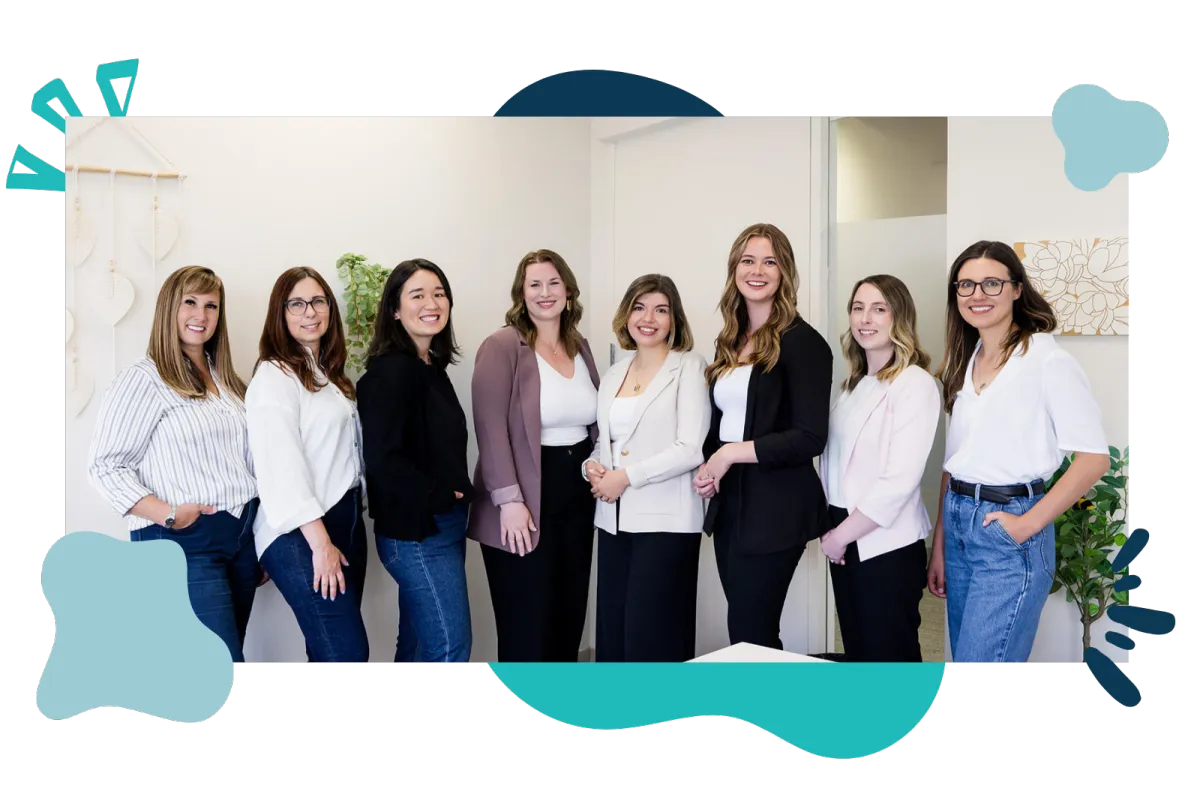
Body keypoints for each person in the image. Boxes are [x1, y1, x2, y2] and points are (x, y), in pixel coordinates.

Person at [927, 241, 1110, 663]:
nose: (977, 294)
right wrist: (940, 543)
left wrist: (1026, 526)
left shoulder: (1046, 359)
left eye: (991, 283)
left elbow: (1093, 459)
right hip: (958, 522)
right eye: (966, 285)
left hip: (1007, 528)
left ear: (1016, 289)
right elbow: (954, 464)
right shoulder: (966, 358)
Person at [87, 265, 262, 665]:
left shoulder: (228, 382)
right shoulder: (144, 379)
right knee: (217, 667)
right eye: (190, 302)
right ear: (169, 308)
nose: (201, 315)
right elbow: (105, 466)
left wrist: (258, 539)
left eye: (211, 306)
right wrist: (169, 515)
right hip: (183, 542)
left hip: (240, 539)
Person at [693, 223, 833, 652]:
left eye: (769, 262)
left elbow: (810, 437)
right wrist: (710, 464)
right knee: (745, 628)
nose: (757, 270)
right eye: (748, 261)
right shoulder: (731, 341)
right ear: (734, 269)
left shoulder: (804, 343)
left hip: (776, 507)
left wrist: (729, 454)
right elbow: (725, 420)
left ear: (784, 271)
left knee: (752, 631)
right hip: (732, 503)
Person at [467, 249, 600, 662]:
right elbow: (490, 428)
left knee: (567, 615)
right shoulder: (502, 345)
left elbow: (596, 422)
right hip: (523, 496)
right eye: (535, 284)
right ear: (521, 293)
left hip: (576, 493)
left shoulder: (580, 346)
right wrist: (509, 501)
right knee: (528, 624)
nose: (545, 293)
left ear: (569, 291)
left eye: (554, 283)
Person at [245, 267, 370, 664]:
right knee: (346, 653)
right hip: (301, 531)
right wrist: (320, 543)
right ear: (279, 313)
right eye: (296, 303)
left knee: (326, 650)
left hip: (344, 520)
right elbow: (280, 466)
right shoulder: (274, 376)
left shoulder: (329, 375)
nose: (310, 312)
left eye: (318, 301)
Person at [584, 274, 711, 662]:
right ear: (627, 315)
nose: (648, 318)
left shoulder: (689, 367)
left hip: (666, 522)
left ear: (674, 319)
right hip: (613, 520)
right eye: (639, 307)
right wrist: (592, 467)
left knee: (652, 635)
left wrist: (624, 478)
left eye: (661, 310)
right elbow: (606, 444)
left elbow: (690, 448)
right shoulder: (613, 374)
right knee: (614, 631)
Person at [817, 275, 941, 662]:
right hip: (844, 534)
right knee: (860, 653)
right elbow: (834, 463)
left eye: (878, 308)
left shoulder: (915, 383)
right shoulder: (852, 386)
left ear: (898, 317)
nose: (865, 318)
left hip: (886, 544)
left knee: (891, 656)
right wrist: (831, 529)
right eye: (858, 308)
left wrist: (840, 536)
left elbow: (899, 480)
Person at [357, 258, 474, 664]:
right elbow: (383, 460)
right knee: (448, 647)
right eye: (418, 295)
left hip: (443, 525)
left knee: (420, 647)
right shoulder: (390, 373)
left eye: (439, 294)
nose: (432, 303)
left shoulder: (430, 368)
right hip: (417, 534)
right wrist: (440, 494)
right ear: (394, 309)